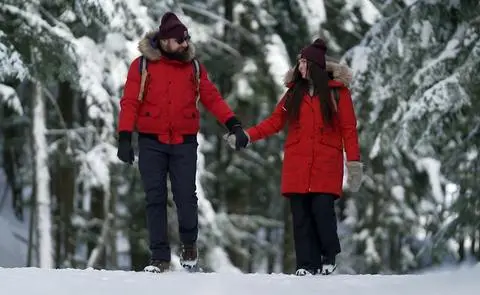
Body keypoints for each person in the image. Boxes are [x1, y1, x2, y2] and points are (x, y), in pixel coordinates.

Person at [116, 11, 249, 273]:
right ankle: (159, 257)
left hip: (183, 143)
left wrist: (233, 123)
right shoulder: (141, 66)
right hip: (151, 142)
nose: (185, 44)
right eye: (180, 41)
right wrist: (124, 137)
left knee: (186, 197)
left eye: (186, 39)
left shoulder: (194, 67)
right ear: (165, 41)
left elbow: (212, 98)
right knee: (155, 198)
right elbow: (130, 102)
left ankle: (189, 245)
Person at [225, 38, 363, 276]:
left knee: (322, 212)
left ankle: (328, 254)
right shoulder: (293, 94)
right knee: (300, 218)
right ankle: (306, 265)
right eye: (299, 63)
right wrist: (248, 136)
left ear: (316, 66)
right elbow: (275, 122)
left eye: (305, 63)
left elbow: (349, 130)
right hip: (297, 164)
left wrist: (353, 163)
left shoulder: (338, 94)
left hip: (325, 164)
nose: (300, 68)